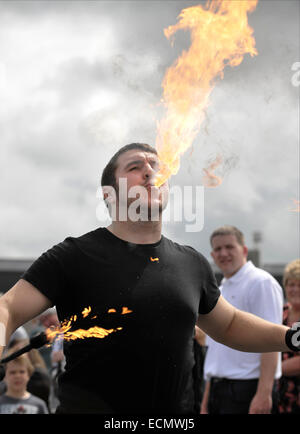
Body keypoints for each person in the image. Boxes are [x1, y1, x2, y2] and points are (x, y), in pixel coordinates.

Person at [0, 143, 299, 414]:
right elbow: (9, 308)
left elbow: (230, 325)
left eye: (157, 167)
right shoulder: (72, 256)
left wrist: (291, 337)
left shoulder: (192, 263)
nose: (149, 172)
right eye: (134, 167)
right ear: (109, 193)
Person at [201, 225, 284, 414]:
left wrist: (264, 394)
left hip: (247, 390)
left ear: (244, 250)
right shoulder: (220, 290)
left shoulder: (261, 283)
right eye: (218, 249)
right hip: (217, 389)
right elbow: (215, 351)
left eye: (229, 247)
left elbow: (272, 340)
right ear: (212, 256)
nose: (223, 253)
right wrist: (206, 400)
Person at [277, 259, 300, 413]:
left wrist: (271, 368)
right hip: (278, 395)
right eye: (291, 284)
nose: (295, 289)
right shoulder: (279, 312)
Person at [0, 348, 48, 414]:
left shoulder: (39, 405)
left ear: (29, 374)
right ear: (4, 376)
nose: (17, 376)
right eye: (12, 372)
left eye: (22, 372)